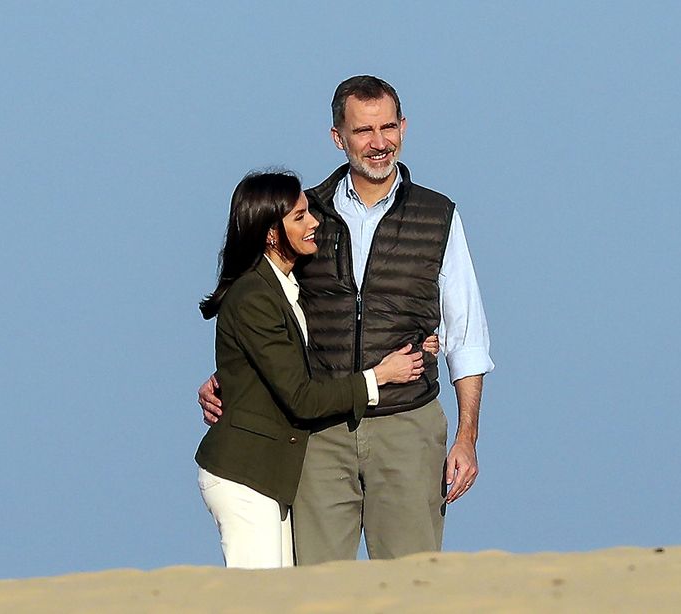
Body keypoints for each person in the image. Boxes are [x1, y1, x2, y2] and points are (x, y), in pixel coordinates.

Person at [199, 75, 494, 564]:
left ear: (404, 127)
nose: (379, 143)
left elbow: (467, 335)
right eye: (363, 131)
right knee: (317, 587)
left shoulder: (438, 215)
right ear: (338, 137)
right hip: (318, 434)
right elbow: (266, 307)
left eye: (388, 127)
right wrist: (226, 377)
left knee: (409, 586)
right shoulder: (305, 215)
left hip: (408, 427)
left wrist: (467, 438)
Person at [194, 170, 427, 569]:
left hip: (270, 477)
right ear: (270, 232)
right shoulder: (254, 296)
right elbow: (301, 397)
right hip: (246, 475)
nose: (314, 222)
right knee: (259, 601)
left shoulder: (286, 285)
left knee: (282, 598)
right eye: (300, 216)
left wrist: (424, 337)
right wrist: (380, 377)